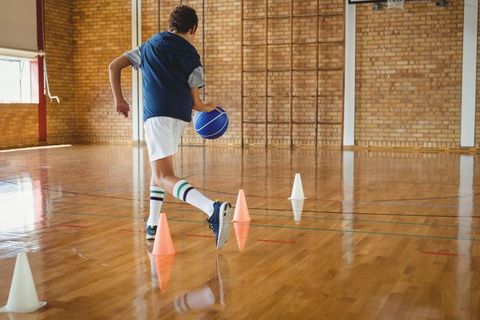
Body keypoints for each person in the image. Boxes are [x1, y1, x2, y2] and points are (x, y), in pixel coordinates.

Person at [108, 5, 231, 249]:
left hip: (156, 117)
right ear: (193, 28)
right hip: (180, 119)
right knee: (159, 173)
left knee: (163, 176)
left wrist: (119, 100)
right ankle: (153, 224)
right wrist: (207, 107)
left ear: (170, 25)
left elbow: (114, 66)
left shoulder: (148, 47)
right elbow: (196, 103)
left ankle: (211, 208)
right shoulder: (192, 57)